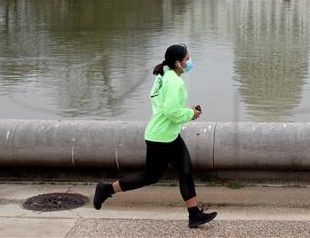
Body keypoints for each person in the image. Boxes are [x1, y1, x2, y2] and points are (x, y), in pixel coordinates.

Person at [93, 44, 217, 229]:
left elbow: (162, 105)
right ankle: (194, 214)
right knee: (183, 172)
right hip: (166, 136)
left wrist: (185, 111)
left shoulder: (163, 77)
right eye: (187, 59)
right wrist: (191, 114)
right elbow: (171, 112)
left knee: (153, 175)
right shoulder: (175, 81)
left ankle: (106, 189)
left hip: (158, 134)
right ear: (178, 63)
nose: (189, 61)